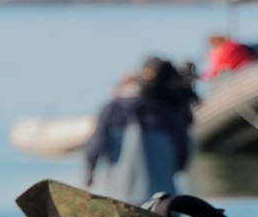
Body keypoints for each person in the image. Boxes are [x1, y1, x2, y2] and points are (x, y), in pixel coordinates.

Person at [83, 57, 195, 203]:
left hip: (119, 205)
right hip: (163, 206)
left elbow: (93, 150)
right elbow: (181, 162)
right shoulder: (172, 116)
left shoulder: (112, 109)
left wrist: (89, 177)